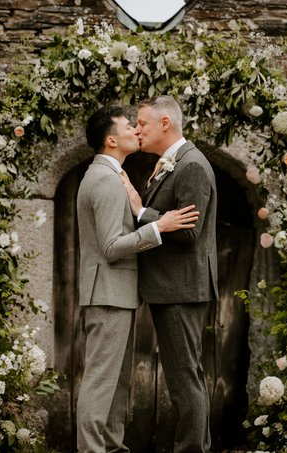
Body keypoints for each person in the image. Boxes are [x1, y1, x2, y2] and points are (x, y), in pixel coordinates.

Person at [76, 105, 199, 453]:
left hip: (116, 294)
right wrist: (158, 227)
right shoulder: (104, 179)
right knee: (101, 381)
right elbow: (111, 247)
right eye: (128, 126)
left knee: (116, 383)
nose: (136, 129)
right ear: (112, 140)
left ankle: (113, 447)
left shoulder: (112, 175)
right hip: (107, 294)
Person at [123, 95, 218, 453]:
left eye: (142, 123)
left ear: (165, 123)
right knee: (185, 376)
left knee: (184, 379)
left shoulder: (191, 165)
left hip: (181, 289)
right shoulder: (171, 162)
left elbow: (188, 234)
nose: (137, 130)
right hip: (172, 289)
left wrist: (141, 211)